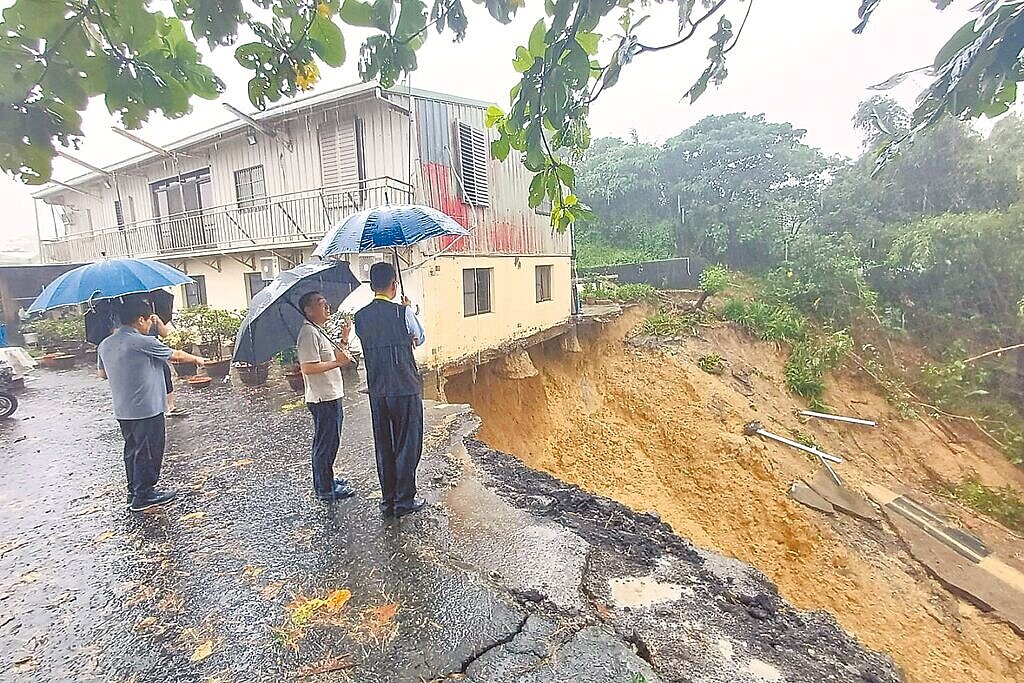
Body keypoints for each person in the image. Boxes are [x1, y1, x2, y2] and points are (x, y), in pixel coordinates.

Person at [97, 298, 206, 512]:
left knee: (132, 450)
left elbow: (102, 374)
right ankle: (144, 495)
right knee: (149, 451)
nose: (150, 325)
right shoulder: (142, 341)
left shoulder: (105, 344)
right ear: (140, 319)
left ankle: (133, 491)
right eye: (149, 320)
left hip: (123, 409)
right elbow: (175, 355)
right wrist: (198, 359)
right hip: (147, 407)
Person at [355, 262, 427, 518]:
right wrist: (408, 311)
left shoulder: (360, 317)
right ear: (394, 285)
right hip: (404, 386)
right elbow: (419, 338)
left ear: (371, 286)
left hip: (378, 389)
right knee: (408, 443)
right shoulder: (402, 313)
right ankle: (404, 500)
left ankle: (388, 500)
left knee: (384, 444)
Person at [296, 291, 356, 502]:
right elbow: (308, 367)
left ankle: (327, 479)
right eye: (321, 304)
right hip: (322, 398)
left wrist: (344, 338)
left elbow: (336, 357)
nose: (327, 307)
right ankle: (325, 489)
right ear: (308, 310)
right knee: (325, 444)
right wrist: (338, 363)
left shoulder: (317, 331)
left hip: (331, 394)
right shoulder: (308, 334)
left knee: (330, 442)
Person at [146, 312, 187, 417]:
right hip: (144, 354)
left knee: (166, 374)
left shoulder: (153, 319)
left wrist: (158, 321)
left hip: (157, 351)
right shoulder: (136, 322)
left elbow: (164, 334)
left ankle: (171, 407)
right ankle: (153, 408)